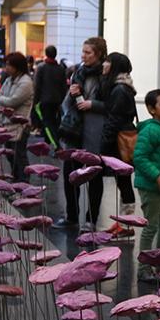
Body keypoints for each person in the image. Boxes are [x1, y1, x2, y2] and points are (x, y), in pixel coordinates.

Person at [55, 37, 107, 231]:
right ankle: (71, 215)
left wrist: (92, 104)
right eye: (83, 51)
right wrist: (73, 92)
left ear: (99, 54)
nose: (83, 55)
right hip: (74, 131)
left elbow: (113, 105)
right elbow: (69, 102)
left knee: (94, 176)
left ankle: (91, 220)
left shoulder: (105, 74)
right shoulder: (79, 71)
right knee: (70, 173)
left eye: (88, 52)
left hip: (95, 131)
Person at [134, 89, 160, 282]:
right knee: (151, 227)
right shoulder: (151, 130)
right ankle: (144, 268)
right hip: (151, 187)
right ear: (151, 109)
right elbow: (140, 157)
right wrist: (158, 177)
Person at [99, 52, 138, 239]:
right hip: (120, 137)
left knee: (124, 181)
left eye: (107, 61)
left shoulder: (120, 89)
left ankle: (127, 224)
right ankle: (123, 221)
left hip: (120, 140)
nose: (104, 65)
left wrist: (104, 146)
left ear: (114, 65)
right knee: (122, 181)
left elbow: (114, 119)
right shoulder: (120, 86)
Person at [0, 52, 35, 182]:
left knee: (19, 155)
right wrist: (1, 99)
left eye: (9, 65)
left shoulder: (26, 82)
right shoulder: (8, 79)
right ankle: (16, 180)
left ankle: (23, 183)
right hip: (7, 123)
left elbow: (13, 101)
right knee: (10, 155)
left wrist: (1, 100)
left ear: (17, 66)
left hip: (20, 125)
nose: (6, 68)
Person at [34, 45, 68, 147]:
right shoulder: (61, 69)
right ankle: (48, 142)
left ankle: (57, 145)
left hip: (44, 100)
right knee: (54, 122)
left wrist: (35, 100)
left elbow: (37, 86)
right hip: (57, 100)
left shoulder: (41, 67)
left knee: (47, 123)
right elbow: (64, 86)